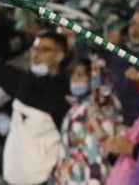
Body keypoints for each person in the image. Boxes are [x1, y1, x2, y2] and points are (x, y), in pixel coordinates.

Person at [0, 15, 70, 185]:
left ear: (60, 56)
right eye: (35, 49)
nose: (37, 55)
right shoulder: (25, 83)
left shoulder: (63, 97)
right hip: (7, 178)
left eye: (45, 50)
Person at [53, 56, 124, 185]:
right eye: (73, 75)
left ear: (93, 78)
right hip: (71, 175)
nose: (74, 79)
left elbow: (107, 142)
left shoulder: (103, 104)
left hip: (94, 174)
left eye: (81, 75)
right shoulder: (73, 109)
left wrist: (97, 71)